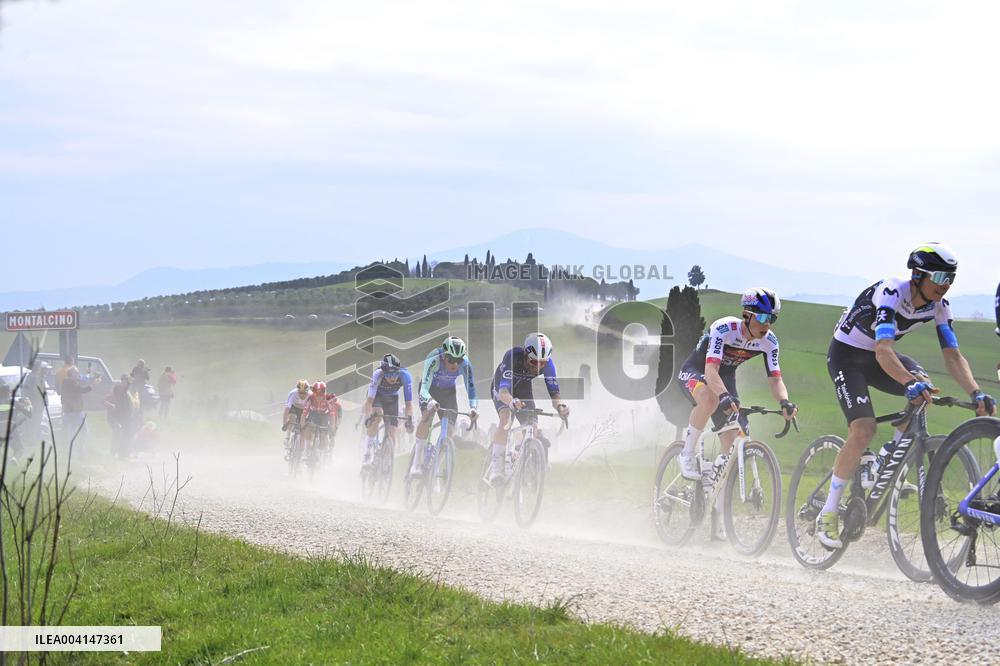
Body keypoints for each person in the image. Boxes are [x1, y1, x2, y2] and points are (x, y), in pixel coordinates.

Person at [816, 243, 996, 549]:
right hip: (848, 355)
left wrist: (975, 392)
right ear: (918, 275)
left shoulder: (940, 305)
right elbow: (883, 349)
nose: (946, 284)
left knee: (923, 386)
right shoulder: (892, 292)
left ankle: (886, 457)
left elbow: (952, 355)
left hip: (878, 356)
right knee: (863, 429)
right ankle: (828, 512)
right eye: (940, 276)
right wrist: (907, 381)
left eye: (951, 277)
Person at [676, 288, 798, 481]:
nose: (767, 324)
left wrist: (785, 401)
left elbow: (776, 379)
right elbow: (710, 371)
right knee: (709, 400)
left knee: (733, 447)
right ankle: (687, 453)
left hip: (724, 378)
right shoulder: (724, 329)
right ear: (746, 315)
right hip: (697, 371)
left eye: (772, 319)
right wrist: (723, 396)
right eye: (763, 317)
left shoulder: (770, 342)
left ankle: (716, 497)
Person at [488, 332, 570, 484]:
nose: (538, 367)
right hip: (502, 388)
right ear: (526, 355)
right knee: (506, 419)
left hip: (523, 390)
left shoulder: (549, 365)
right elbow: (504, 392)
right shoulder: (512, 356)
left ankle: (523, 457)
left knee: (533, 428)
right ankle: (496, 467)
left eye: (542, 363)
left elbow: (555, 395)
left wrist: (561, 406)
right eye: (534, 362)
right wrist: (511, 401)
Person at [409, 336, 478, 477]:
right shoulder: (434, 358)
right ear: (444, 355)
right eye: (451, 359)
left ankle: (436, 468)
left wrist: (473, 408)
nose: (455, 364)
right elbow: (423, 389)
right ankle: (415, 465)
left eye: (458, 360)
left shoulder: (465, 364)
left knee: (451, 430)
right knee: (427, 418)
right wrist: (429, 401)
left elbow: (470, 388)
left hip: (448, 393)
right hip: (430, 390)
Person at [361, 355, 414, 466]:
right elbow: (369, 401)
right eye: (388, 375)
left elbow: (409, 404)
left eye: (394, 374)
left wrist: (409, 420)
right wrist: (367, 417)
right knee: (378, 415)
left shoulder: (405, 376)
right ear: (383, 372)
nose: (392, 378)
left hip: (392, 399)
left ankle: (387, 461)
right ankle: (366, 453)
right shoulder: (377, 374)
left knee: (392, 432)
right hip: (377, 396)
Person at [61, 366, 100, 459]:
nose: (78, 375)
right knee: (84, 431)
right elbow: (82, 389)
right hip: (75, 412)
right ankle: (80, 452)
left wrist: (88, 375)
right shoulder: (71, 383)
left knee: (71, 433)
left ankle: (73, 454)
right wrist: (93, 384)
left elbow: (82, 380)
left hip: (69, 411)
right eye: (76, 373)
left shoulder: (67, 382)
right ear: (71, 375)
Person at [300, 381, 337, 460]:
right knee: (308, 428)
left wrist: (332, 426)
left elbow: (332, 415)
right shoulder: (310, 398)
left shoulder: (328, 399)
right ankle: (306, 451)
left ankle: (323, 453)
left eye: (321, 395)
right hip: (313, 414)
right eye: (317, 395)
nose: (319, 397)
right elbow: (304, 414)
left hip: (324, 416)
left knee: (323, 436)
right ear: (314, 393)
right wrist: (302, 425)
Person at [105, 374, 134, 458]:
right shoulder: (118, 388)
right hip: (121, 415)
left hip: (127, 415)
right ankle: (115, 452)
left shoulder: (125, 390)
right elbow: (123, 391)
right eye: (127, 380)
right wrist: (128, 383)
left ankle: (124, 453)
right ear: (123, 380)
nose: (128, 382)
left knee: (127, 434)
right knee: (120, 434)